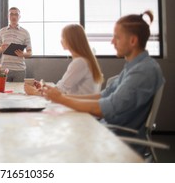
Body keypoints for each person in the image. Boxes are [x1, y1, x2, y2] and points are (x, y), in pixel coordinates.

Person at [30, 11, 164, 156]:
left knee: (47, 139)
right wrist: (59, 98)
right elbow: (103, 95)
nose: (112, 42)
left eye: (117, 37)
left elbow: (107, 108)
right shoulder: (133, 67)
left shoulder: (143, 71)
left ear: (132, 41)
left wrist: (61, 99)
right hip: (106, 129)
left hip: (116, 141)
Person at [25, 24, 103, 95]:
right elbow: (62, 87)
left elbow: (60, 90)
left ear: (71, 40)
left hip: (78, 107)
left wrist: (34, 92)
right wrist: (43, 87)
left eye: (63, 37)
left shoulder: (80, 62)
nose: (61, 41)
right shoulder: (85, 60)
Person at [0, 7, 32, 82]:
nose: (14, 16)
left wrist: (23, 54)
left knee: (18, 92)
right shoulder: (2, 31)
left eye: (16, 14)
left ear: (19, 17)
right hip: (4, 68)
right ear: (8, 16)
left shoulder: (25, 32)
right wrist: (1, 49)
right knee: (3, 92)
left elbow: (30, 53)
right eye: (11, 14)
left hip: (19, 69)